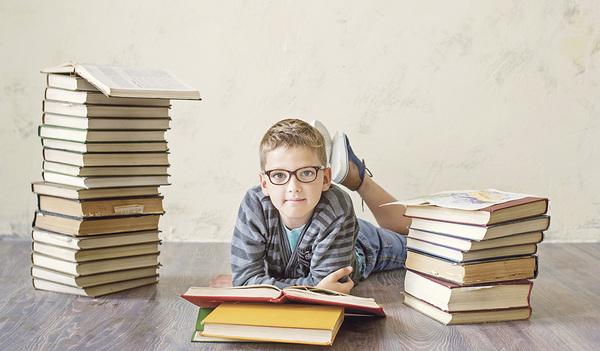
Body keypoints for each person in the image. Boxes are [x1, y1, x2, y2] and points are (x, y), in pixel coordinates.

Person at [209, 119, 411, 294]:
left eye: (306, 173)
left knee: (422, 244)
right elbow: (247, 281)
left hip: (361, 244)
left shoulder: (337, 208)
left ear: (326, 179)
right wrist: (250, 284)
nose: (293, 188)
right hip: (329, 229)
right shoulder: (254, 207)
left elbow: (330, 286)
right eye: (279, 175)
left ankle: (358, 177)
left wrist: (261, 286)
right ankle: (317, 159)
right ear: (264, 184)